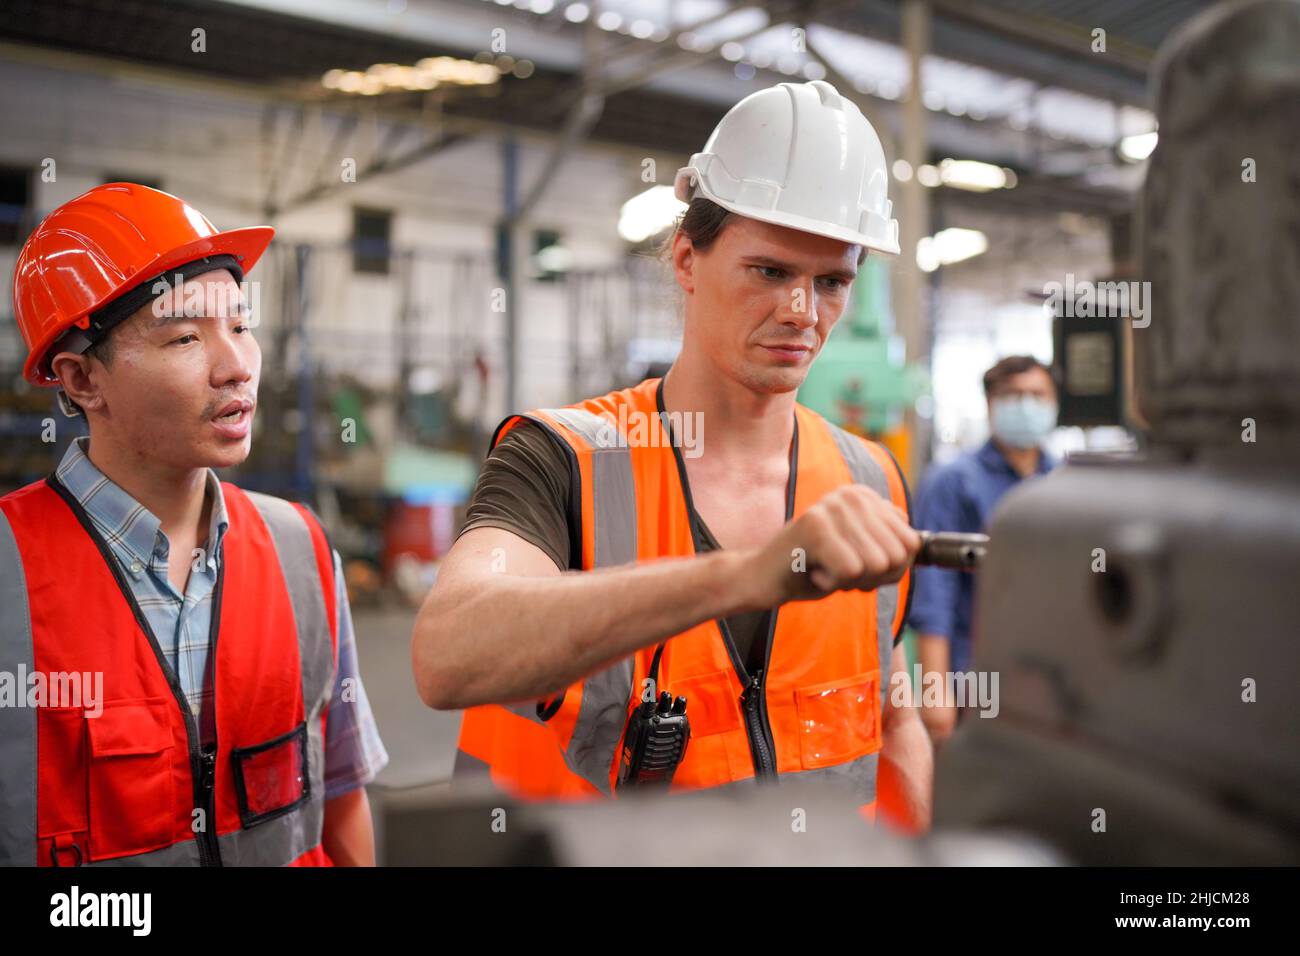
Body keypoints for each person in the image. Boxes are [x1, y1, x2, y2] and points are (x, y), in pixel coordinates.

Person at [413, 80, 933, 831]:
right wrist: (743, 575)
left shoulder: (869, 479)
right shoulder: (563, 460)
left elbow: (895, 718)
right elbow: (447, 653)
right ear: (687, 259)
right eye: (771, 271)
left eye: (832, 281)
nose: (802, 312)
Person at [0, 183, 387, 866]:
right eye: (185, 336)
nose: (236, 366)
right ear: (82, 380)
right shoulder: (9, 570)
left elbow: (342, 795)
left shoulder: (299, 550)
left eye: (240, 325)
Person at [908, 355, 1059, 745]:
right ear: (991, 405)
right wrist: (935, 691)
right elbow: (933, 593)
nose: (1026, 405)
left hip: (1053, 682)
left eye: (1037, 395)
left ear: (1054, 402)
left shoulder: (1065, 484)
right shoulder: (953, 483)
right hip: (975, 678)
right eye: (1013, 396)